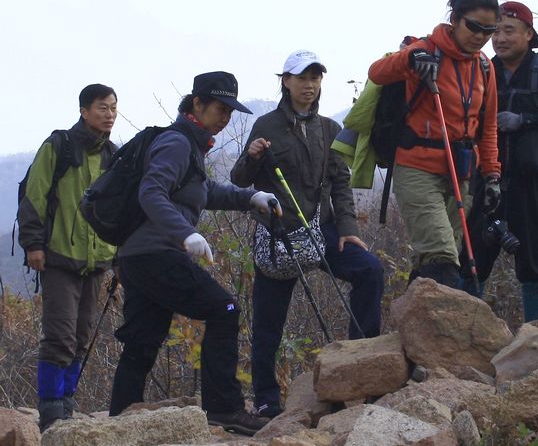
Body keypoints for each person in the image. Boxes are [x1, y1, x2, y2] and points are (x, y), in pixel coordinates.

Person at [109, 71, 280, 436]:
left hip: (138, 256)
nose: (225, 117)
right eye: (220, 107)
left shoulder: (190, 143)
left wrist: (250, 197)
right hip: (156, 253)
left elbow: (203, 191)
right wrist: (185, 233)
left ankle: (119, 423)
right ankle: (224, 409)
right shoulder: (177, 143)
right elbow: (151, 192)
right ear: (197, 103)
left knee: (141, 342)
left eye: (230, 110)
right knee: (224, 310)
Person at [230, 50, 384, 419]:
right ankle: (267, 398)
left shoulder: (330, 129)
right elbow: (239, 181)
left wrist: (348, 230)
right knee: (269, 320)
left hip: (324, 230)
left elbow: (341, 184)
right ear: (286, 81)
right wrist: (251, 156)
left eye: (315, 78)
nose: (310, 85)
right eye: (302, 78)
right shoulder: (265, 126)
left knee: (370, 271)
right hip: (280, 234)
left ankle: (362, 369)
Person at [367, 0, 501, 287]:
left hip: (462, 171)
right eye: (474, 26)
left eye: (488, 30)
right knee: (442, 255)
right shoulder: (424, 51)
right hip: (417, 167)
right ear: (455, 19)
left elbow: (488, 126)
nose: (480, 36)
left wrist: (492, 176)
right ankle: (443, 329)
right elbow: (376, 72)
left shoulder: (484, 66)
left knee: (440, 256)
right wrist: (410, 60)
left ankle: (411, 325)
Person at [18, 84, 119, 431]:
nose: (109, 115)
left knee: (81, 337)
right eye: (102, 108)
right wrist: (33, 244)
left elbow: (118, 210)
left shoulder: (113, 156)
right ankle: (50, 415)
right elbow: (35, 195)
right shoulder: (59, 146)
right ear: (84, 111)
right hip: (59, 257)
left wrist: (118, 255)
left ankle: (67, 407)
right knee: (59, 337)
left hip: (96, 261)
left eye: (113, 109)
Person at [470, 1, 538, 321]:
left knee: (536, 265)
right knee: (472, 257)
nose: (500, 39)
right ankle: (462, 331)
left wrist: (524, 120)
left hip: (533, 184)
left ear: (528, 34)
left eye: (509, 31)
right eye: (496, 31)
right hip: (486, 179)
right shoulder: (483, 70)